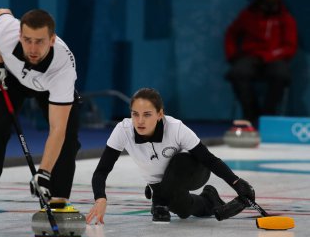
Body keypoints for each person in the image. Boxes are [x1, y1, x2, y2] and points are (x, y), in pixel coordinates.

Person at [0, 8, 81, 234]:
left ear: (52, 40)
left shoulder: (63, 67)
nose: (32, 48)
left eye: (39, 42)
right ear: (19, 35)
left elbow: (56, 129)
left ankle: (58, 206)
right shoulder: (7, 33)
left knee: (67, 137)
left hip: (47, 87)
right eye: (27, 40)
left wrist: (44, 172)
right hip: (9, 78)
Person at [86, 88, 255, 224]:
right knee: (183, 210)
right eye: (135, 114)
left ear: (160, 114)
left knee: (179, 161)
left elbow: (208, 159)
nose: (139, 121)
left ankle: (159, 201)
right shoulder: (123, 130)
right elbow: (101, 171)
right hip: (161, 185)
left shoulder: (175, 128)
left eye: (147, 114)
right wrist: (100, 198)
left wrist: (237, 182)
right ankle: (209, 199)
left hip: (193, 171)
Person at [225, 0, 298, 125]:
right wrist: (232, 55)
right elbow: (231, 34)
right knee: (237, 72)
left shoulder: (285, 17)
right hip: (250, 56)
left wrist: (271, 55)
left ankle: (267, 116)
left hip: (275, 57)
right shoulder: (248, 15)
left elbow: (290, 46)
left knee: (281, 75)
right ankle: (250, 114)